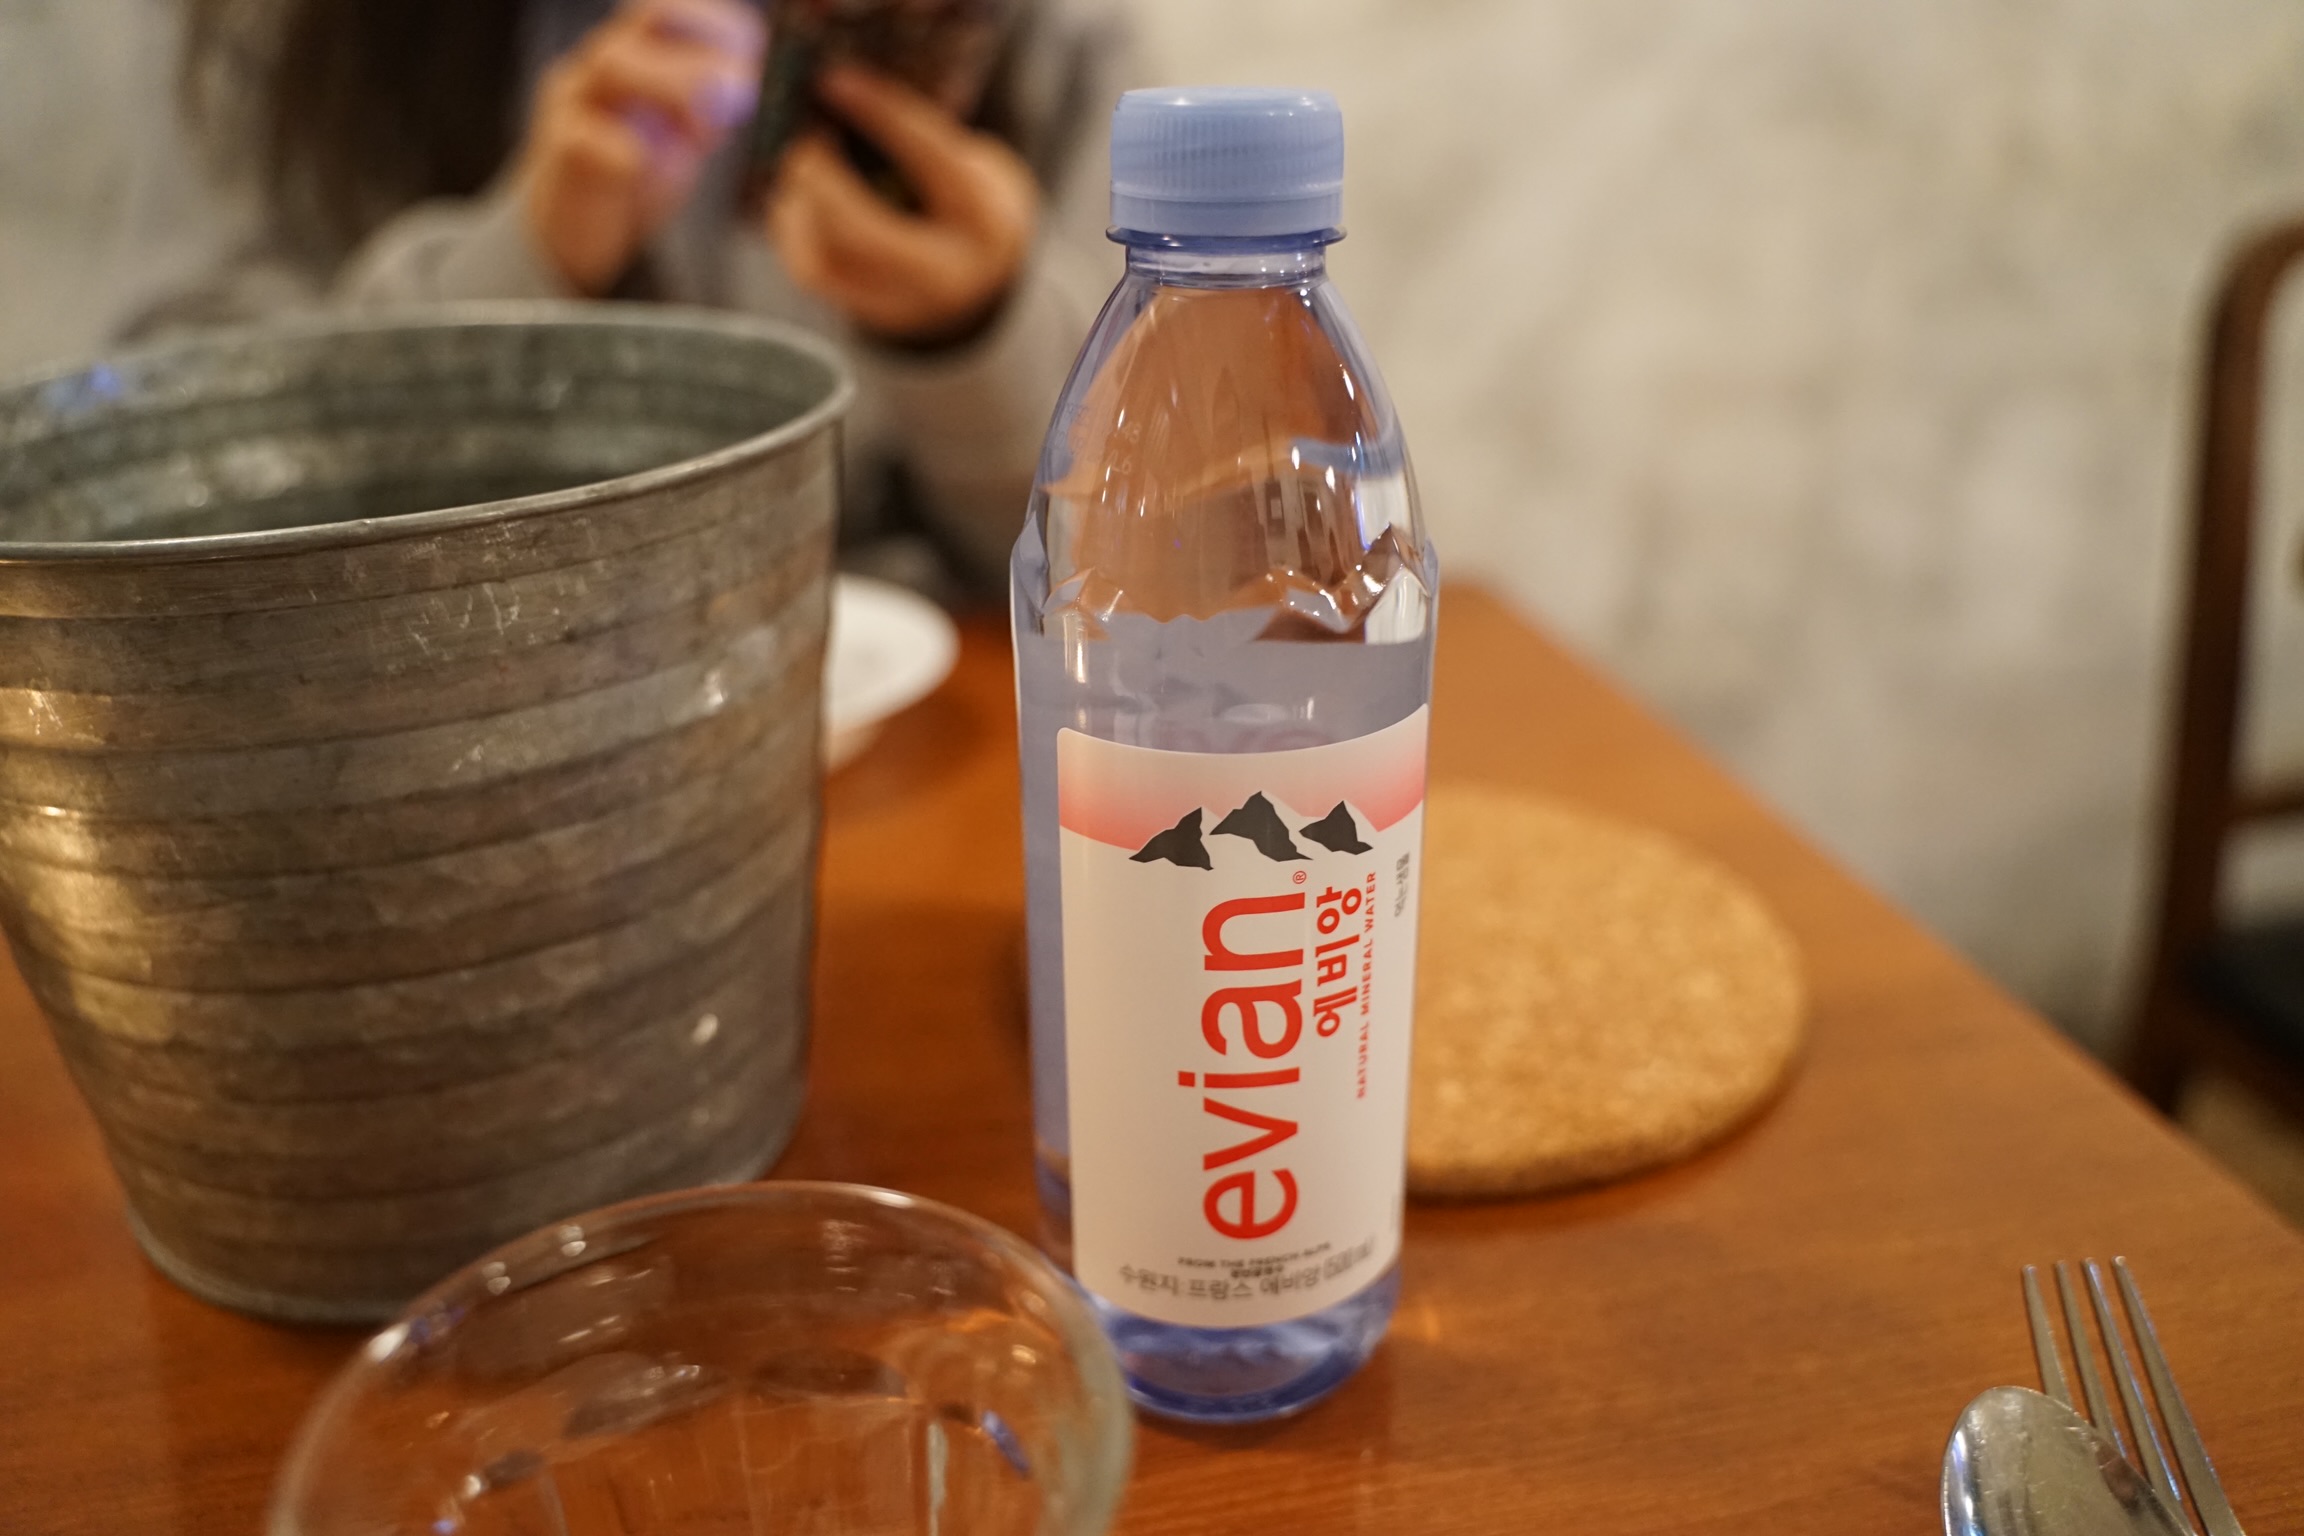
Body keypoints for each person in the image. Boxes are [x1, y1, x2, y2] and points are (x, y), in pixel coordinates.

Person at [150, 0, 1134, 589]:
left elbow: (1140, 549)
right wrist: (520, 266)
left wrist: (972, 331)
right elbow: (177, 482)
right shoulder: (304, 48)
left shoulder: (1052, 39)